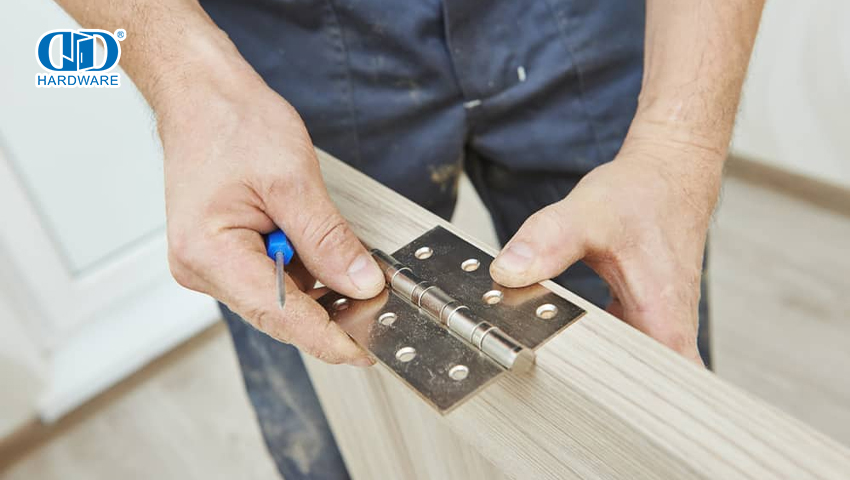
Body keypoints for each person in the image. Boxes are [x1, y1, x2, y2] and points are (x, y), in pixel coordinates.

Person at [55, 0, 764, 478]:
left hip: (577, 15)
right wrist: (187, 75)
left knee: (635, 381)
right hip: (280, 30)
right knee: (334, 403)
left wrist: (677, 144)